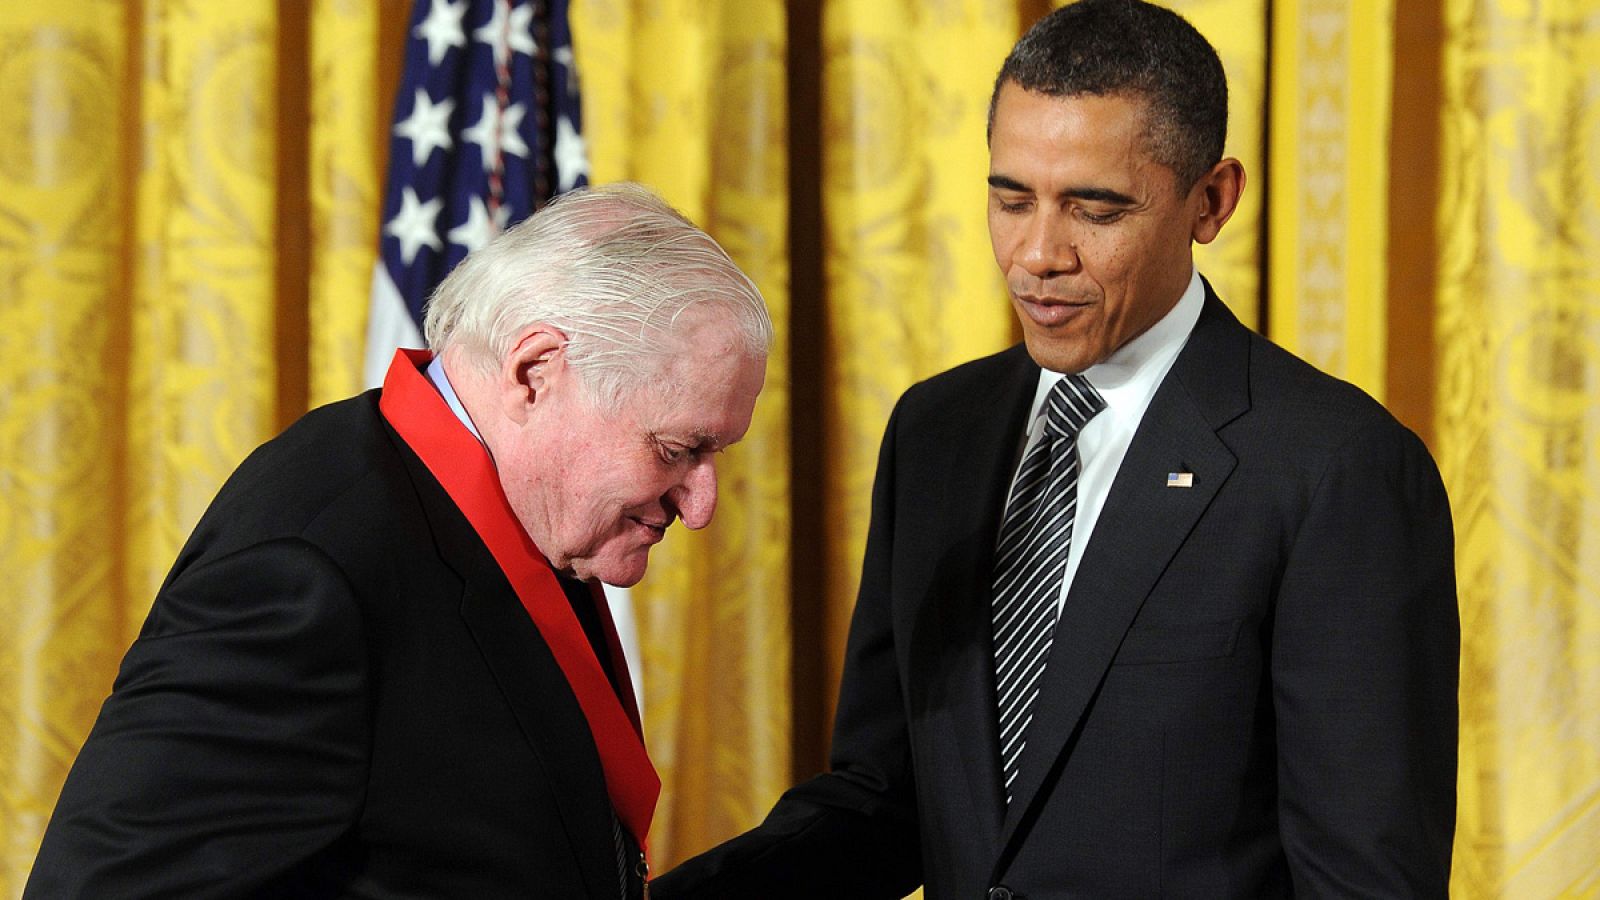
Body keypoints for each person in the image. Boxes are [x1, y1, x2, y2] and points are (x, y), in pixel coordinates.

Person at [655, 1, 1458, 897]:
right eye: (1011, 199)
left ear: (1212, 200)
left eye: (1095, 209)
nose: (1037, 254)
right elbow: (888, 799)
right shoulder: (935, 433)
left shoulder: (1335, 470)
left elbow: (1365, 880)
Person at [26, 183, 772, 899]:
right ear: (535, 372)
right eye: (678, 449)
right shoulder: (309, 566)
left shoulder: (536, 518)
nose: (700, 506)